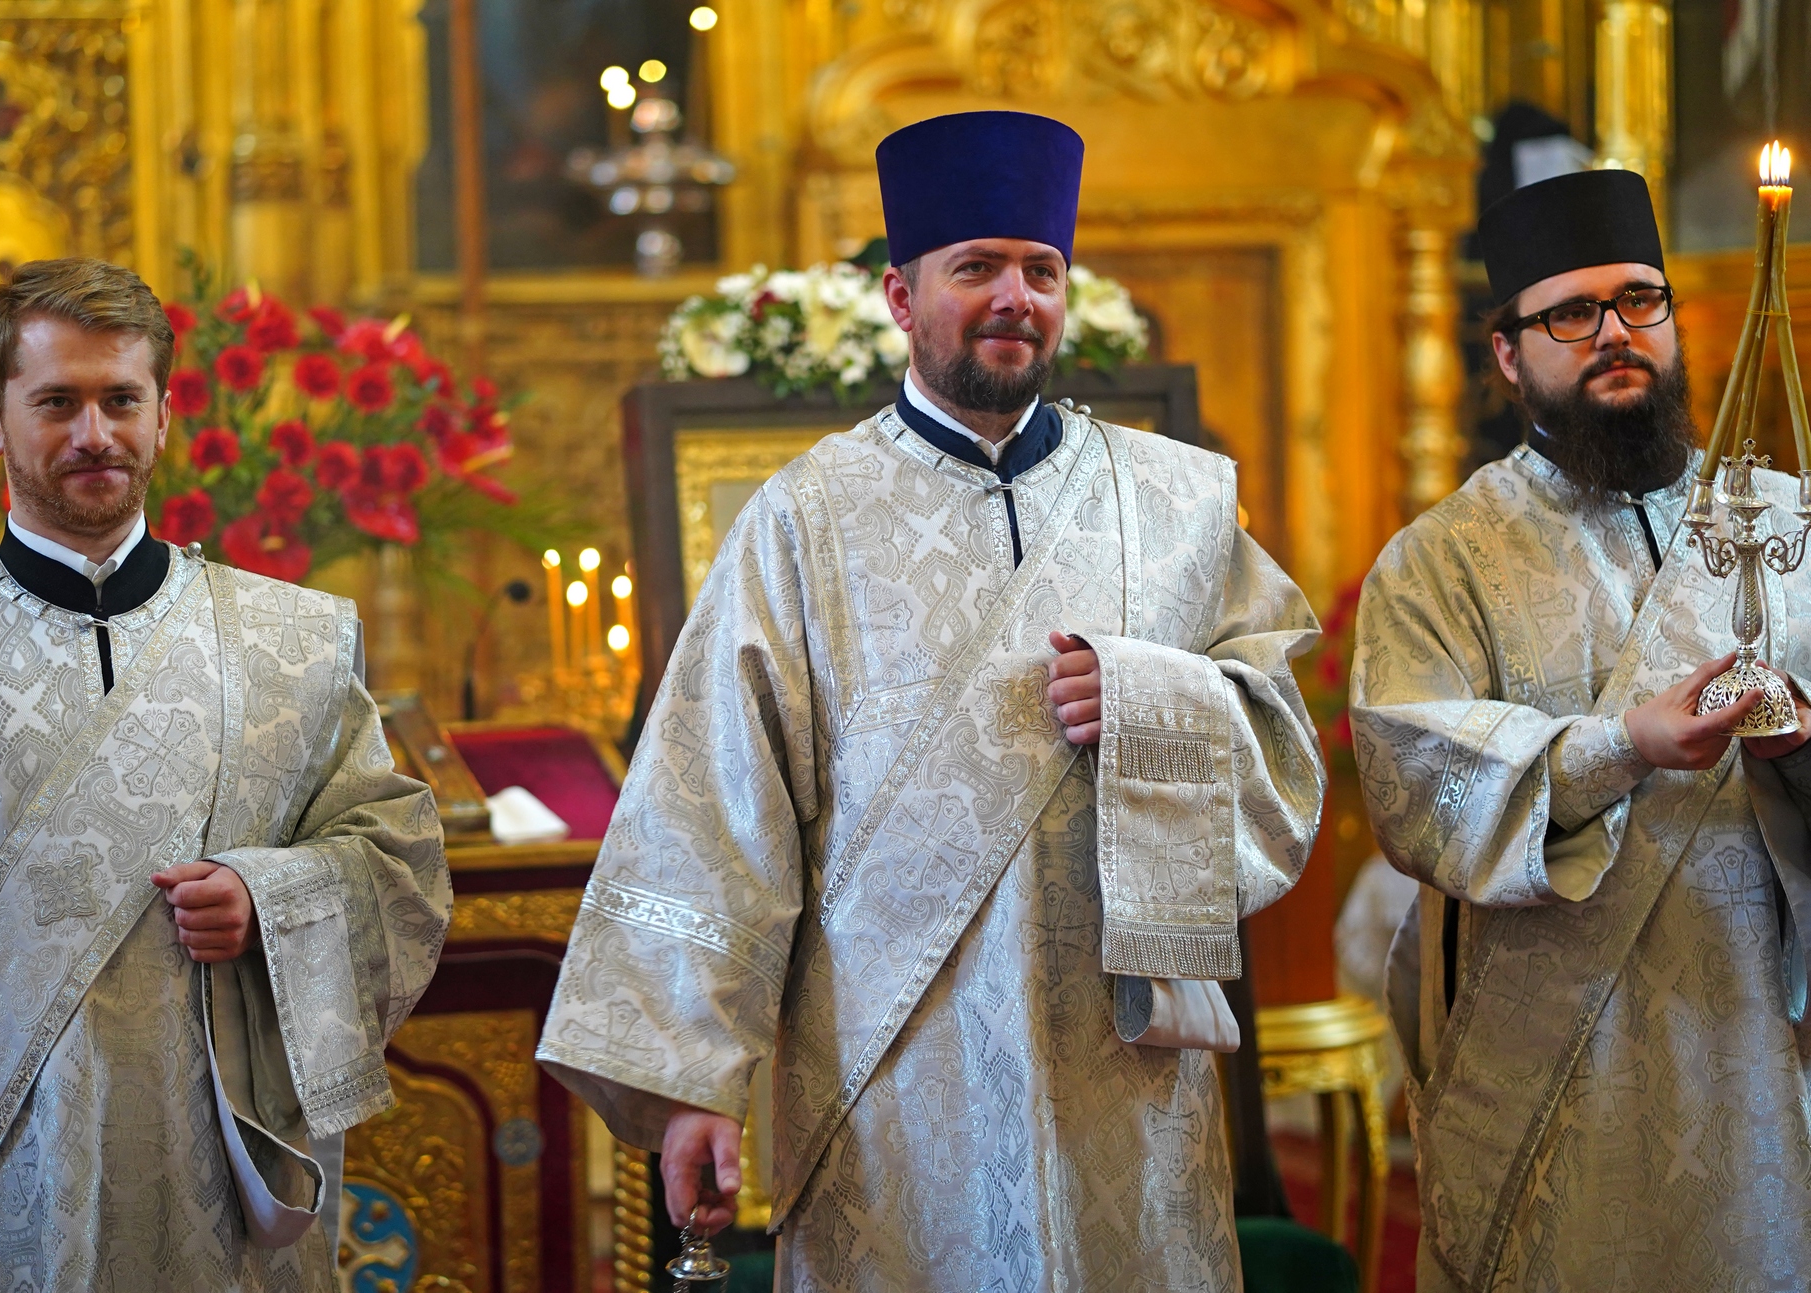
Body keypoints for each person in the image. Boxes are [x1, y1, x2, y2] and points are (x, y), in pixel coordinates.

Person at [536, 110, 1325, 1288]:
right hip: (891, 1067)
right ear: (904, 299)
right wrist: (692, 1079)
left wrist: (1159, 702)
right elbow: (710, 802)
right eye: (977, 269)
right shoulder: (805, 516)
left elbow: (1282, 736)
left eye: (1039, 270)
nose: (1015, 296)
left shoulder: (1178, 500)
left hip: (1122, 1065)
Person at [0, 258, 451, 1291]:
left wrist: (267, 895)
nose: (93, 434)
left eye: (120, 400)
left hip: (224, 1177)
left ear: (162, 414)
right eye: (55, 403)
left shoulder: (288, 645)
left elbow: (402, 862)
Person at [1352, 168, 1811, 1291]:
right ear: (1508, 353)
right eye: (1570, 313)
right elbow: (1413, 780)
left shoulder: (1784, 524)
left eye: (1637, 300)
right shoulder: (1438, 558)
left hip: (1751, 1029)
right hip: (1557, 1060)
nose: (1613, 333)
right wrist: (1624, 746)